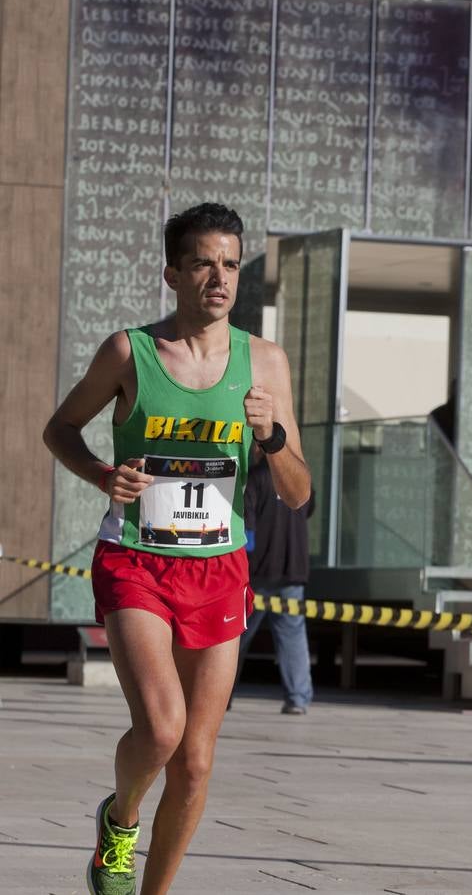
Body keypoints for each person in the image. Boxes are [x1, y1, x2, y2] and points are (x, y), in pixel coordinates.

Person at [43, 202, 310, 895]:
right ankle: (121, 821)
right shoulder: (128, 352)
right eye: (203, 264)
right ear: (172, 274)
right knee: (161, 729)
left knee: (194, 763)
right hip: (136, 560)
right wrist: (103, 475)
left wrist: (272, 437)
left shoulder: (266, 362)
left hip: (220, 569)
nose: (220, 279)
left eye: (231, 265)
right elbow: (60, 430)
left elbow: (298, 491)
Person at [235, 449, 315, 715]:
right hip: (293, 569)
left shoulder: (256, 478)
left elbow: (247, 532)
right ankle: (298, 698)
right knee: (293, 636)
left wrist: (243, 566)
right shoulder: (301, 479)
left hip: (260, 572)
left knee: (236, 636)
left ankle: (220, 697)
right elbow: (309, 508)